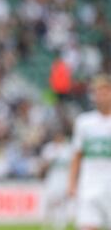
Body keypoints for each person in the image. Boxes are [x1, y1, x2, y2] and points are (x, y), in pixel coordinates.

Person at [68, 74, 111, 230]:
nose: (101, 96)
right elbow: (77, 155)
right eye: (97, 92)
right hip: (89, 185)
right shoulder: (84, 122)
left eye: (105, 92)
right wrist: (72, 183)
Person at [40, 130, 73, 230]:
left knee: (62, 203)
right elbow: (42, 166)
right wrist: (50, 161)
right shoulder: (48, 148)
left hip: (64, 180)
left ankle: (60, 226)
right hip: (51, 180)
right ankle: (46, 224)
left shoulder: (68, 149)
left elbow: (72, 166)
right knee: (49, 201)